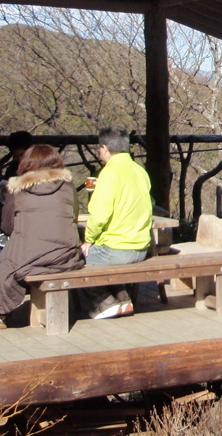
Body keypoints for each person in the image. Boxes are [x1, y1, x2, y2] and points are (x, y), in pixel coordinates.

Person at [0, 145, 84, 328]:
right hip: (66, 258)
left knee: (6, 262)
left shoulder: (16, 189)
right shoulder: (68, 186)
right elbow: (73, 216)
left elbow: (8, 226)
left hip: (28, 259)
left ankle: (2, 314)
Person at [80, 126, 153, 320]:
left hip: (117, 248)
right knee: (102, 258)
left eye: (99, 149)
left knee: (74, 261)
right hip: (141, 247)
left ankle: (104, 302)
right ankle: (123, 298)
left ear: (104, 148)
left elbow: (99, 215)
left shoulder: (109, 173)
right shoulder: (140, 171)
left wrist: (88, 240)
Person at [0, 130, 33, 200]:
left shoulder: (42, 166)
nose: (19, 159)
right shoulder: (13, 168)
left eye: (22, 155)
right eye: (16, 156)